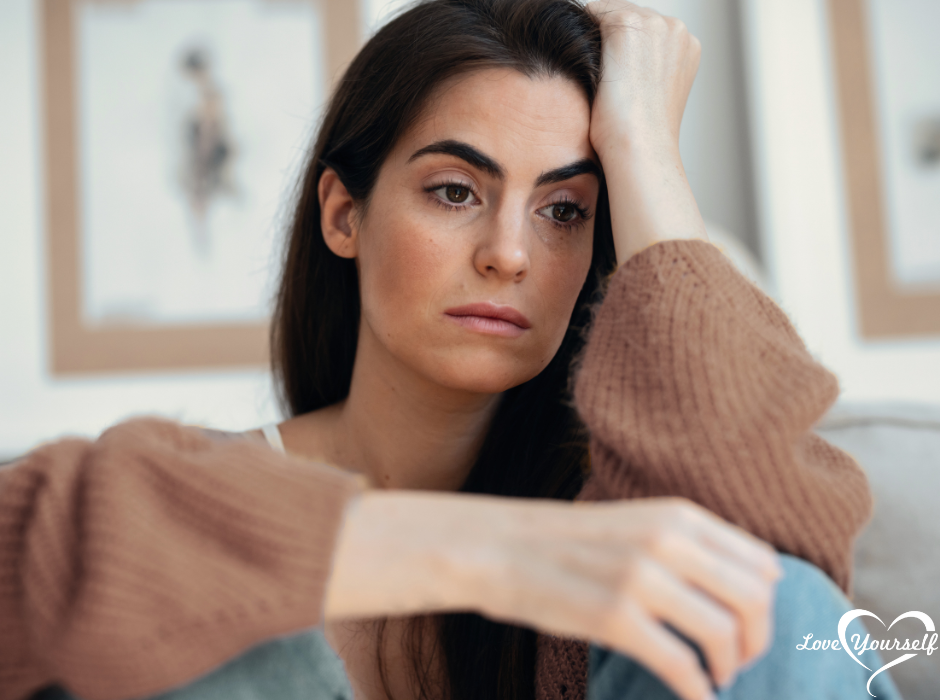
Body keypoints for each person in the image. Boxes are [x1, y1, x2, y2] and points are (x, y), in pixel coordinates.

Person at [0, 1, 904, 700]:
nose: (508, 253)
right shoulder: (184, 502)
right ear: (344, 214)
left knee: (767, 596)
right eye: (454, 191)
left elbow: (785, 614)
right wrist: (494, 553)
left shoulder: (617, 522)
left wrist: (648, 157)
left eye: (565, 211)